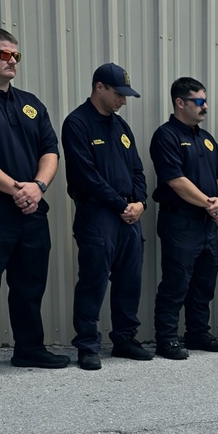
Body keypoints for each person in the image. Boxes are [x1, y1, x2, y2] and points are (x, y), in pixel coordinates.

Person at [0, 27, 68, 384]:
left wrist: (38, 187)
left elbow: (50, 151)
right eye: (4, 54)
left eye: (16, 55)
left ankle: (29, 348)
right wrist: (17, 189)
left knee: (30, 282)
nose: (12, 61)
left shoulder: (31, 104)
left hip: (31, 208)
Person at [62, 63, 151, 370]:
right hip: (97, 214)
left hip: (129, 215)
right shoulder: (77, 123)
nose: (123, 101)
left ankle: (125, 339)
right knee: (93, 280)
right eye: (119, 94)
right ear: (99, 87)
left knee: (129, 280)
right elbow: (86, 175)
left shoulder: (121, 126)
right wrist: (120, 205)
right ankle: (88, 345)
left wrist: (140, 202)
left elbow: (137, 169)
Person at [150, 77, 218, 360]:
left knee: (204, 282)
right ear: (180, 103)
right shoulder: (166, 136)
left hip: (207, 223)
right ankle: (167, 339)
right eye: (199, 101)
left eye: (205, 101)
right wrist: (209, 203)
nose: (204, 106)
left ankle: (197, 333)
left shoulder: (206, 138)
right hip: (180, 222)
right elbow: (176, 181)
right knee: (176, 282)